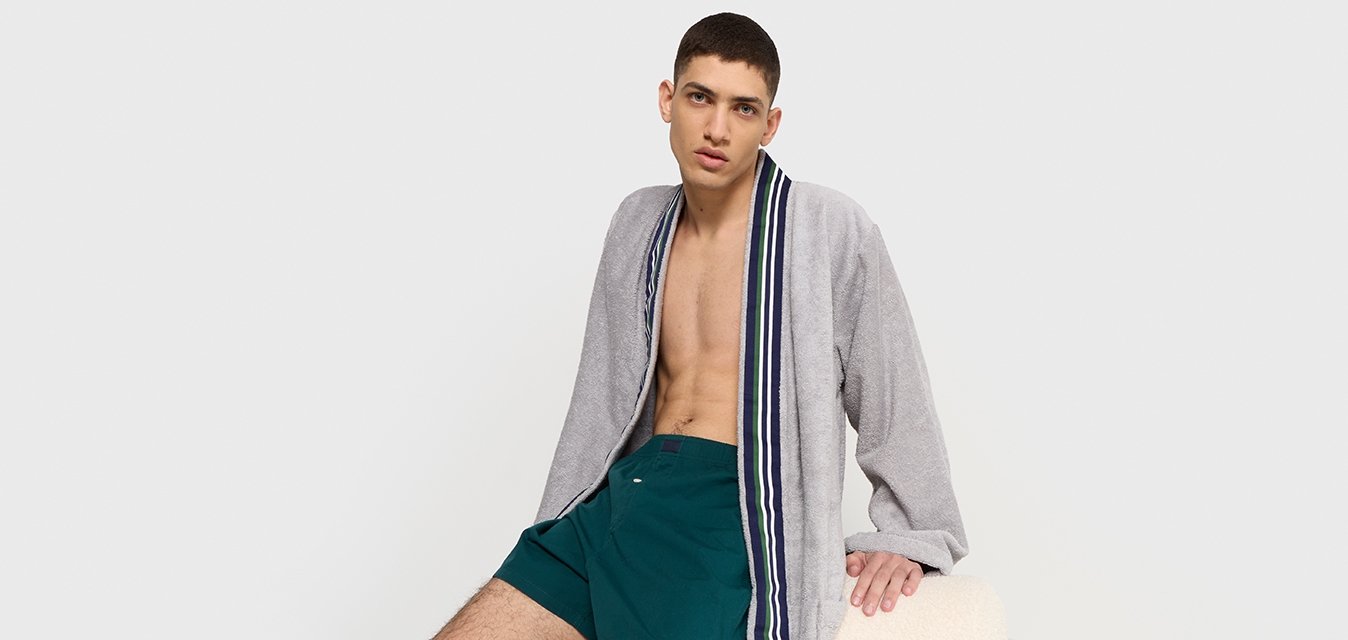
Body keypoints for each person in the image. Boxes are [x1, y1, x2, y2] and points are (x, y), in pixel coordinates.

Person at [434, 12, 968, 640]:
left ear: (770, 125)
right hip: (617, 500)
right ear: (667, 100)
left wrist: (912, 533)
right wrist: (564, 512)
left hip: (730, 514)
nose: (717, 128)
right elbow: (600, 400)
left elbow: (893, 390)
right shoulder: (636, 222)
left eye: (744, 109)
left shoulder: (826, 228)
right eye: (699, 98)